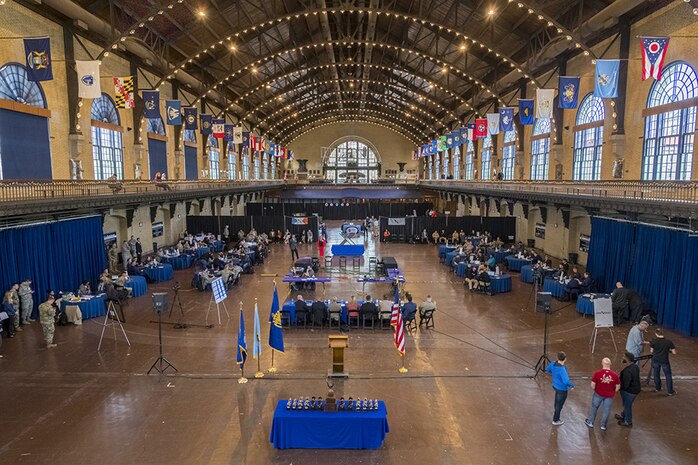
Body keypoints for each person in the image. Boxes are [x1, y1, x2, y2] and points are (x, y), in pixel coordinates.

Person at [585, 357, 620, 431]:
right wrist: (612, 391)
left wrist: (596, 390)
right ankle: (603, 425)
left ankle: (590, 422)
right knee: (606, 410)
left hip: (598, 394)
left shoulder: (597, 373)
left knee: (594, 408)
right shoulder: (615, 375)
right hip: (609, 395)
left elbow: (592, 385)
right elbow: (617, 387)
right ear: (610, 364)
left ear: (602, 363)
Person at [546, 351, 575, 425]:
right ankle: (556, 420)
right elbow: (566, 381)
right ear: (565, 359)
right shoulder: (562, 369)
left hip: (555, 386)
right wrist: (571, 385)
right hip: (562, 389)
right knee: (559, 404)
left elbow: (547, 369)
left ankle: (556, 415)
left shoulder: (553, 363)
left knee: (557, 402)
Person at [616, 352, 641, 427]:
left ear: (627, 359)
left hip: (629, 391)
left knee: (627, 406)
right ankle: (624, 416)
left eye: (624, 356)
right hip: (635, 389)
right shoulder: (635, 367)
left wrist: (619, 387)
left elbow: (626, 384)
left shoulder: (627, 371)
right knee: (626, 405)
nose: (622, 357)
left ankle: (628, 422)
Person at [650, 328, 677, 396]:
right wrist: (668, 350)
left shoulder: (653, 341)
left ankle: (657, 388)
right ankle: (670, 391)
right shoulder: (668, 342)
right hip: (664, 361)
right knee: (668, 375)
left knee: (656, 374)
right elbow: (674, 352)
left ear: (656, 334)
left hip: (655, 360)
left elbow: (651, 351)